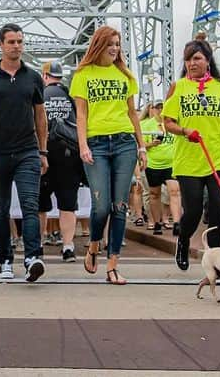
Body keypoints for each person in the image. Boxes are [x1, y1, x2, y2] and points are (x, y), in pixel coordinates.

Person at [68, 26, 145, 285]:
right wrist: (82, 145)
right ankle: (93, 245)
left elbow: (133, 113)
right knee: (101, 206)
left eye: (118, 44)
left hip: (124, 142)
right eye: (110, 43)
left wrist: (141, 145)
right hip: (96, 143)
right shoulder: (83, 75)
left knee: (119, 206)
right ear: (99, 45)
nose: (115, 48)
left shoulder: (125, 74)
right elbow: (81, 114)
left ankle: (113, 265)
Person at [0, 24, 47, 283]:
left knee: (29, 205)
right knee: (1, 209)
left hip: (27, 151)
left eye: (20, 41)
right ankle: (5, 259)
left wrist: (43, 151)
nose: (16, 46)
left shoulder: (33, 77)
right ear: (1, 45)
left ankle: (32, 258)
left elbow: (40, 116)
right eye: (11, 41)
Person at [162, 39, 220, 271]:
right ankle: (184, 240)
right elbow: (168, 122)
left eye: (196, 58)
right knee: (194, 211)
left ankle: (217, 261)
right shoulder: (178, 87)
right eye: (188, 59)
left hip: (219, 156)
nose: (191, 63)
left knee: (218, 208)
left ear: (208, 61)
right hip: (189, 158)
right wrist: (185, 131)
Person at [40, 60, 83, 262]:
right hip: (69, 155)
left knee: (39, 204)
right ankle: (68, 246)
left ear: (45, 76)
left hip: (44, 153)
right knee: (67, 204)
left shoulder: (40, 95)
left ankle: (38, 244)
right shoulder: (70, 96)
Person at [140, 100, 181, 236]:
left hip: (171, 163)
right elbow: (139, 145)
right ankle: (157, 223)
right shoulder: (145, 125)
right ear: (151, 109)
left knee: (174, 191)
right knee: (154, 194)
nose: (160, 110)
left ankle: (177, 223)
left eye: (162, 107)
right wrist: (151, 144)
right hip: (154, 164)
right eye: (157, 108)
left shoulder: (172, 124)